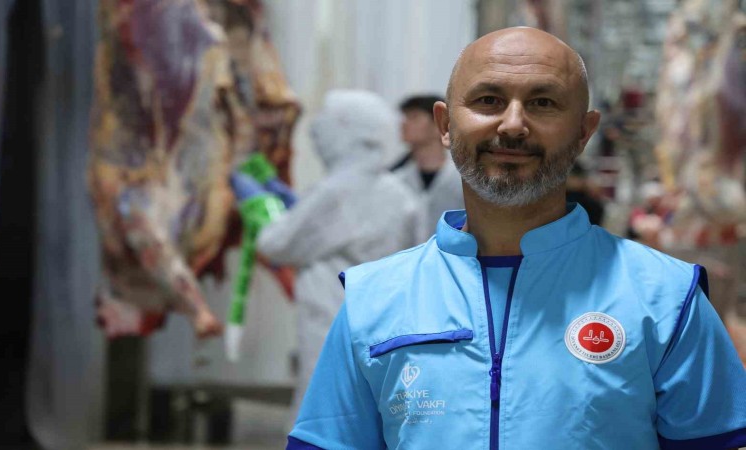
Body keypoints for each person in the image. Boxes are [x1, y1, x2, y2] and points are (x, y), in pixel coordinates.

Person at [286, 28, 746, 450]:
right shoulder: (373, 299)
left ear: (584, 132)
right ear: (445, 125)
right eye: (488, 100)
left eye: (543, 103)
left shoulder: (666, 297)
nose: (512, 124)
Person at [256, 89, 421, 424]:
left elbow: (276, 244)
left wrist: (261, 209)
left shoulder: (337, 190)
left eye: (325, 124)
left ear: (350, 131)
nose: (317, 133)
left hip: (330, 320)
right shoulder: (400, 194)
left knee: (323, 414)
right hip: (383, 324)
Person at [393, 95, 465, 239]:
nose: (404, 124)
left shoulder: (463, 178)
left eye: (414, 117)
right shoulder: (395, 178)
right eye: (405, 117)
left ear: (439, 123)